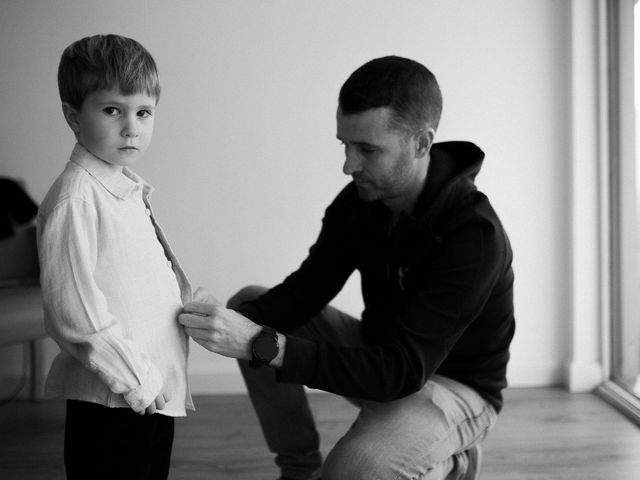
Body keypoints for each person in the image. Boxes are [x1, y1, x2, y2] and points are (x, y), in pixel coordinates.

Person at [180, 55, 515, 480]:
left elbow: (401, 371)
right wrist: (221, 323)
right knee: (250, 304)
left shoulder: (474, 235)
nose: (348, 165)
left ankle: (454, 459)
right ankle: (299, 470)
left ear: (421, 143)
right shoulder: (361, 199)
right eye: (345, 144)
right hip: (383, 356)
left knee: (353, 472)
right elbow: (306, 291)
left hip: (455, 388)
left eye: (368, 150)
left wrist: (260, 344)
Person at [37, 34, 193, 479]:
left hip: (150, 392)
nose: (132, 127)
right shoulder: (77, 200)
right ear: (73, 116)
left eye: (143, 112)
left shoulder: (123, 189)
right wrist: (136, 378)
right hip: (116, 394)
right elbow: (75, 314)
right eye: (112, 110)